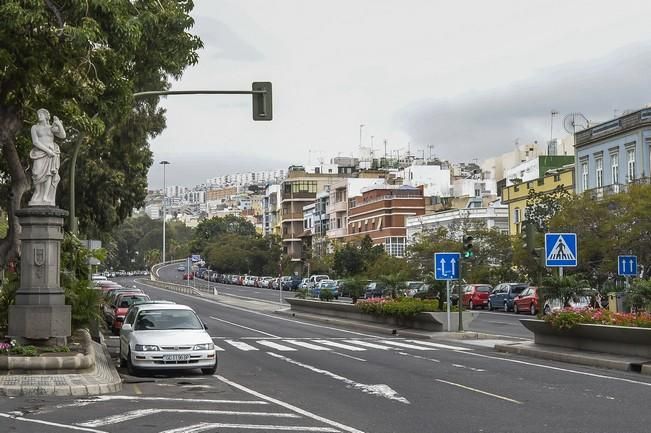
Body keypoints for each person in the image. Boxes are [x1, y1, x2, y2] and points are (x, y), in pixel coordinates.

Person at [29, 108, 65, 206]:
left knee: (49, 174)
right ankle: (37, 193)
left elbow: (63, 135)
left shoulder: (51, 128)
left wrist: (59, 124)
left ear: (46, 116)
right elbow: (35, 142)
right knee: (36, 173)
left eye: (40, 114)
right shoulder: (34, 128)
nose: (38, 116)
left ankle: (45, 196)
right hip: (40, 153)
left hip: (51, 154)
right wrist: (48, 151)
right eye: (38, 114)